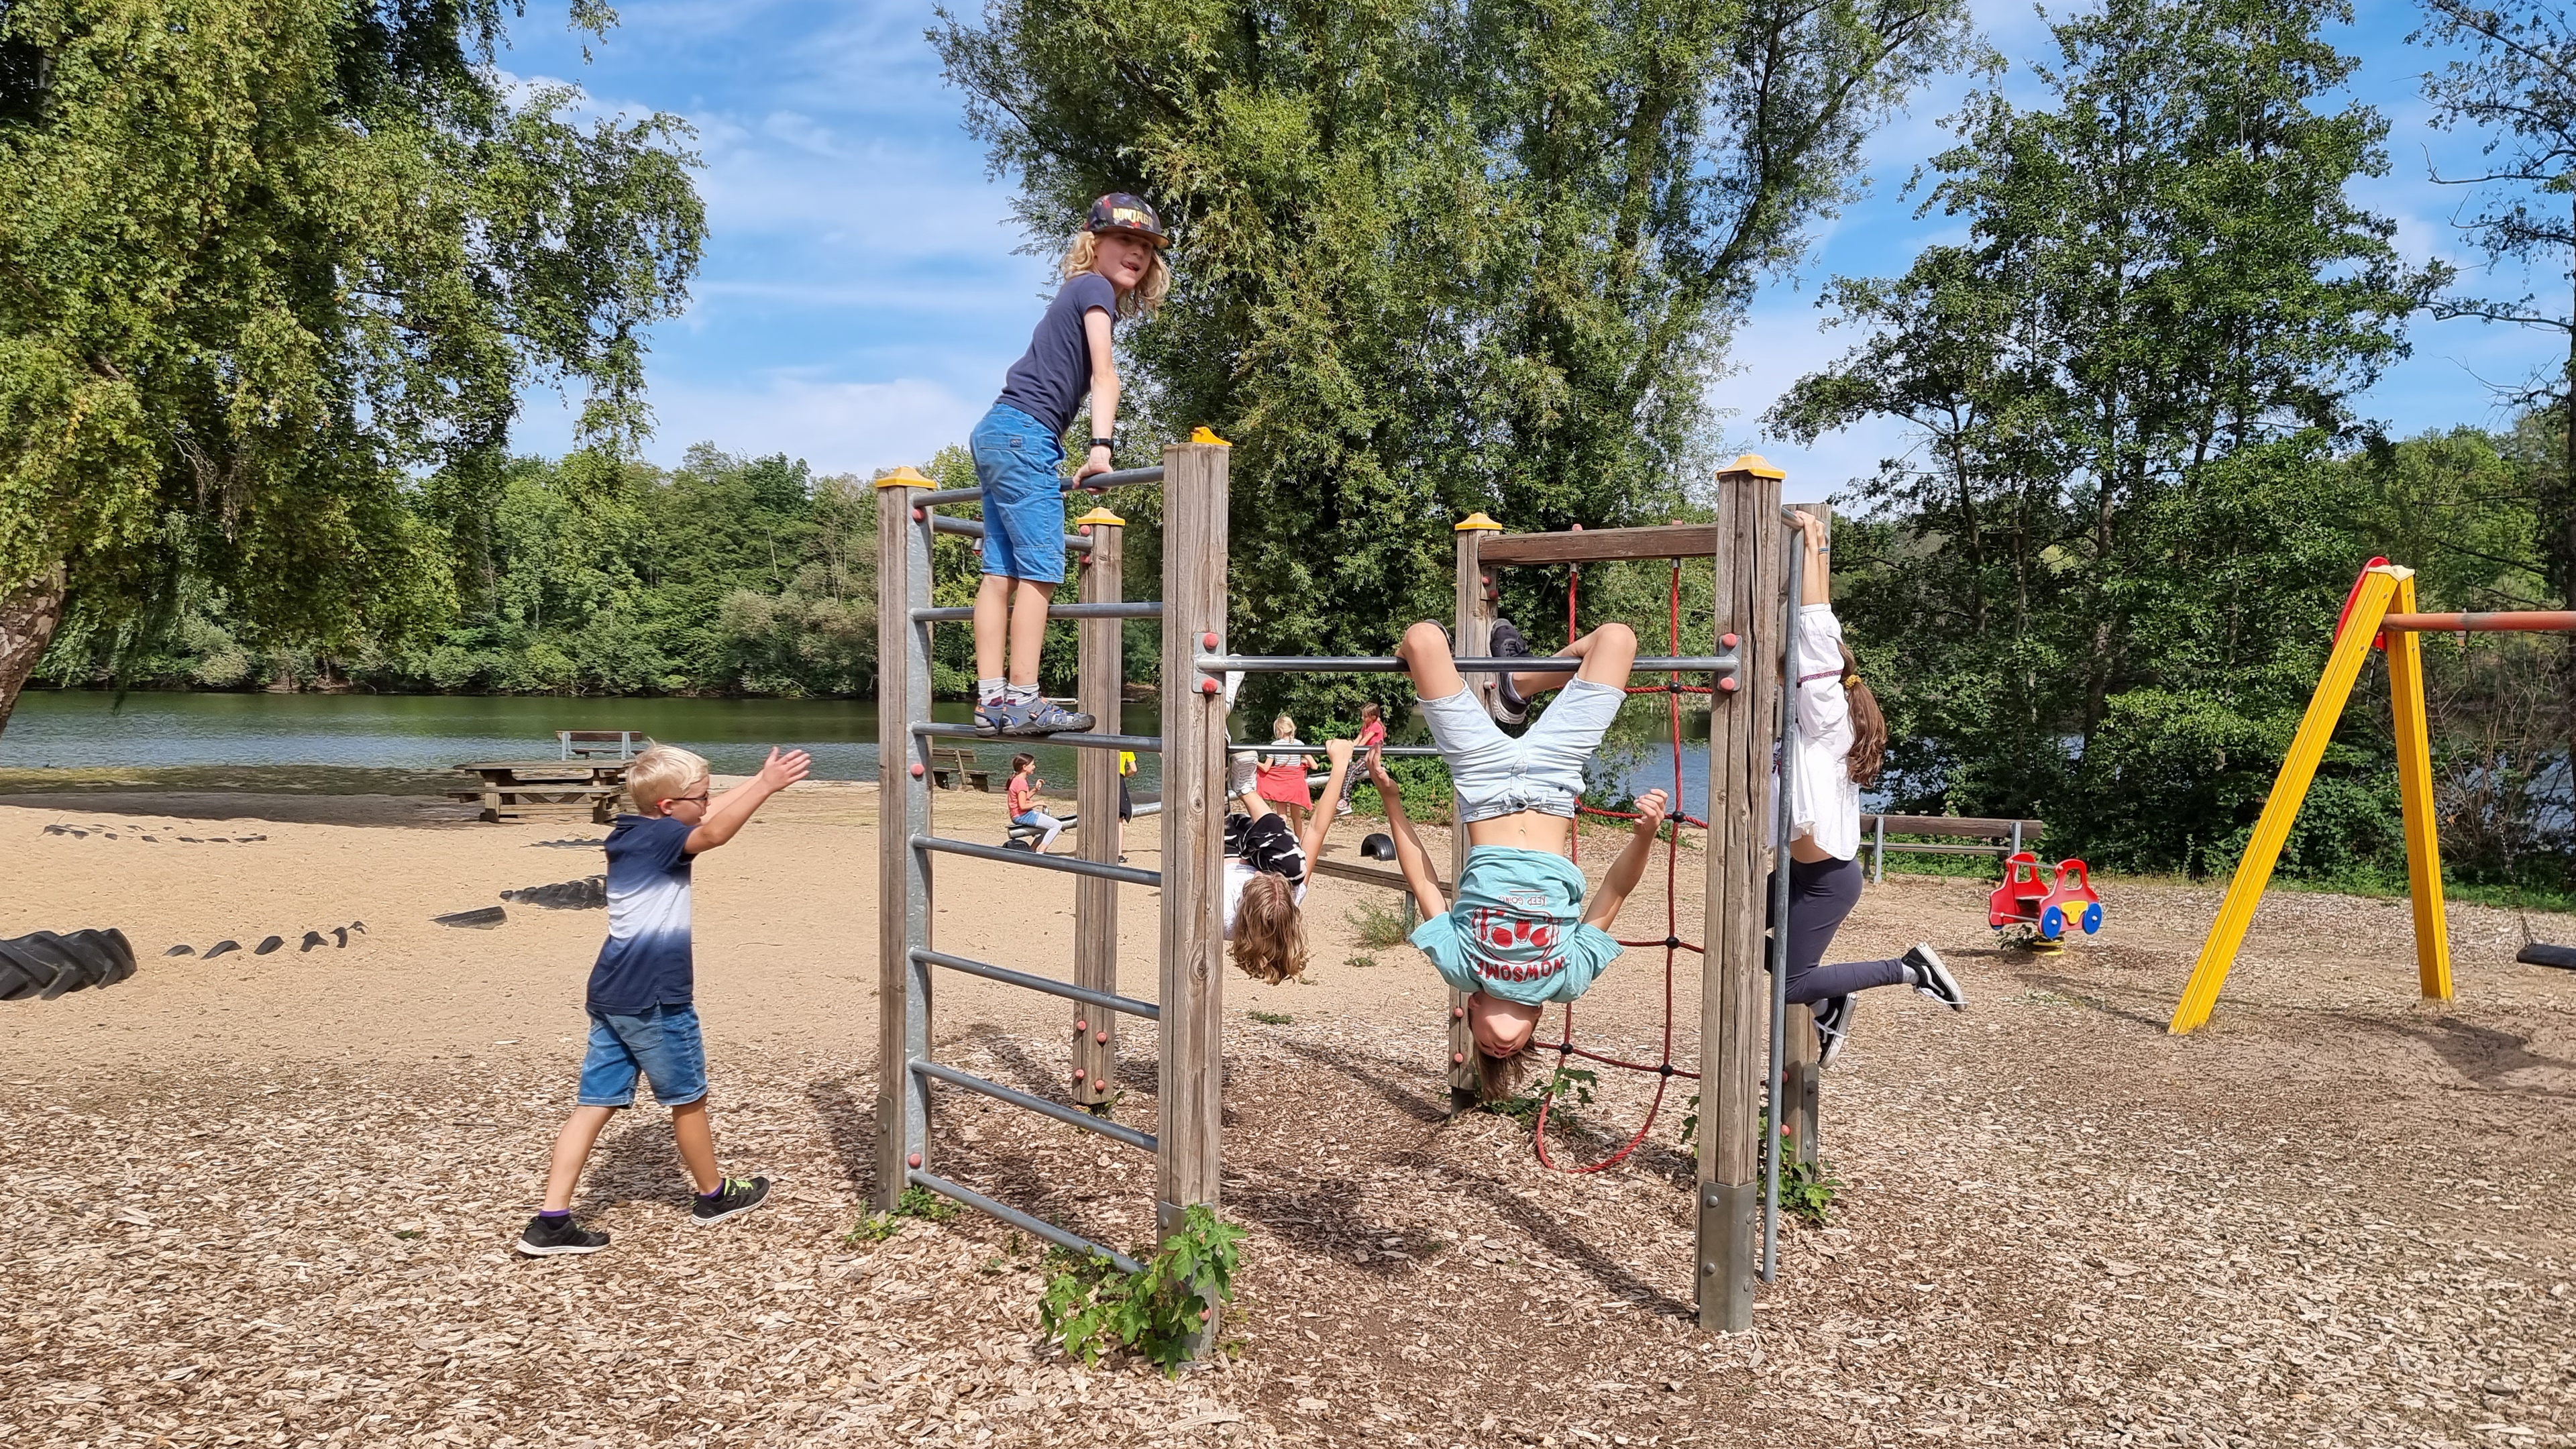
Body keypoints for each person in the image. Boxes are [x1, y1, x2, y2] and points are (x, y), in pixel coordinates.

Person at [518, 742, 813, 1256]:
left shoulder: (632, 833)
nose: (708, 801)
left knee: (594, 1104)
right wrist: (767, 787)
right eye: (699, 796)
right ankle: (714, 1196)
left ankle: (552, 1220)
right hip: (656, 997)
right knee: (687, 1098)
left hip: (612, 992)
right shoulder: (665, 839)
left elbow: (704, 815)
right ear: (667, 806)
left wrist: (756, 778)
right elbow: (715, 831)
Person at [1365, 619, 1672, 1101]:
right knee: (1618, 639)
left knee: (1423, 639)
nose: (1499, 1045)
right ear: (1537, 1021)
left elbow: (1423, 884)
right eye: (1511, 1052)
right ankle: (1518, 685)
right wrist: (1646, 837)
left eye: (1486, 1048)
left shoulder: (1461, 968)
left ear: (1471, 1007)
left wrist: (1392, 803)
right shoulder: (1568, 980)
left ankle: (1516, 686)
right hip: (1555, 779)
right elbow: (1613, 894)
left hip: (1482, 782)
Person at [969, 194, 1171, 738]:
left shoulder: (1077, 291)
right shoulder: (1093, 288)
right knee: (1041, 569)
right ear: (1093, 244)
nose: (1136, 254)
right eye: (1124, 241)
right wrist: (1101, 447)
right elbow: (1106, 376)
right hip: (1026, 435)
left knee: (999, 573)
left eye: (1146, 248)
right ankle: (1027, 699)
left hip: (997, 431)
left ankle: (992, 701)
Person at [1774, 508, 1966, 1068]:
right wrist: (1817, 552)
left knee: (1789, 982)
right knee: (1743, 943)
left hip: (1826, 882)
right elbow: (1813, 635)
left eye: (1788, 675)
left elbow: (1816, 629)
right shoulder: (1809, 723)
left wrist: (1813, 545)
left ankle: (1909, 969)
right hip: (1801, 873)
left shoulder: (1827, 715)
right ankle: (1831, 1000)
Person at [1225, 738, 1360, 985]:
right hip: (1257, 839)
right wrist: (1340, 766)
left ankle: (1217, 790)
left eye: (1257, 882)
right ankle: (1245, 788)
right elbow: (1317, 829)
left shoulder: (1222, 910)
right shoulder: (1290, 896)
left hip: (1220, 844)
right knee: (1296, 868)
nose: (1259, 874)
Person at [1255, 714, 1315, 835]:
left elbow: (1266, 768)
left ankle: (1283, 840)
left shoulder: (1275, 745)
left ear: (1279, 730)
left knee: (1282, 815)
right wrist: (1303, 761)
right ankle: (1299, 841)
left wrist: (1255, 762)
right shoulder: (1300, 744)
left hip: (1280, 783)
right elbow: (1315, 766)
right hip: (1295, 784)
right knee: (1296, 816)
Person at [1007, 753, 1066, 853]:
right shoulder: (1021, 782)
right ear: (1025, 767)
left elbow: (1024, 799)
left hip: (1018, 815)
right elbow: (1023, 806)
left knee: (1047, 827)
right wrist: (1038, 803)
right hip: (1022, 815)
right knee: (1057, 825)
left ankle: (1032, 849)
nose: (1034, 767)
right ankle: (1041, 851)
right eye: (1033, 765)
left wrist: (1035, 789)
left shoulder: (1018, 780)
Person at [1336, 701, 1385, 817]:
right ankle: (1342, 798)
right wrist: (1350, 748)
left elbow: (1364, 741)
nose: (1362, 718)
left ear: (1373, 717)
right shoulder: (1366, 725)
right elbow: (1359, 738)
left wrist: (1352, 751)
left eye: (1365, 716)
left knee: (1352, 771)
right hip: (1364, 754)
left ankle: (1346, 801)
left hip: (1371, 756)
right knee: (1346, 770)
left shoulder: (1376, 726)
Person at [1117, 749, 1137, 861]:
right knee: (1119, 818)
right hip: (1119, 779)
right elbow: (1134, 769)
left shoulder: (1106, 742)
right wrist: (1124, 775)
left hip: (1104, 777)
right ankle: (1119, 853)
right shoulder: (1125, 746)